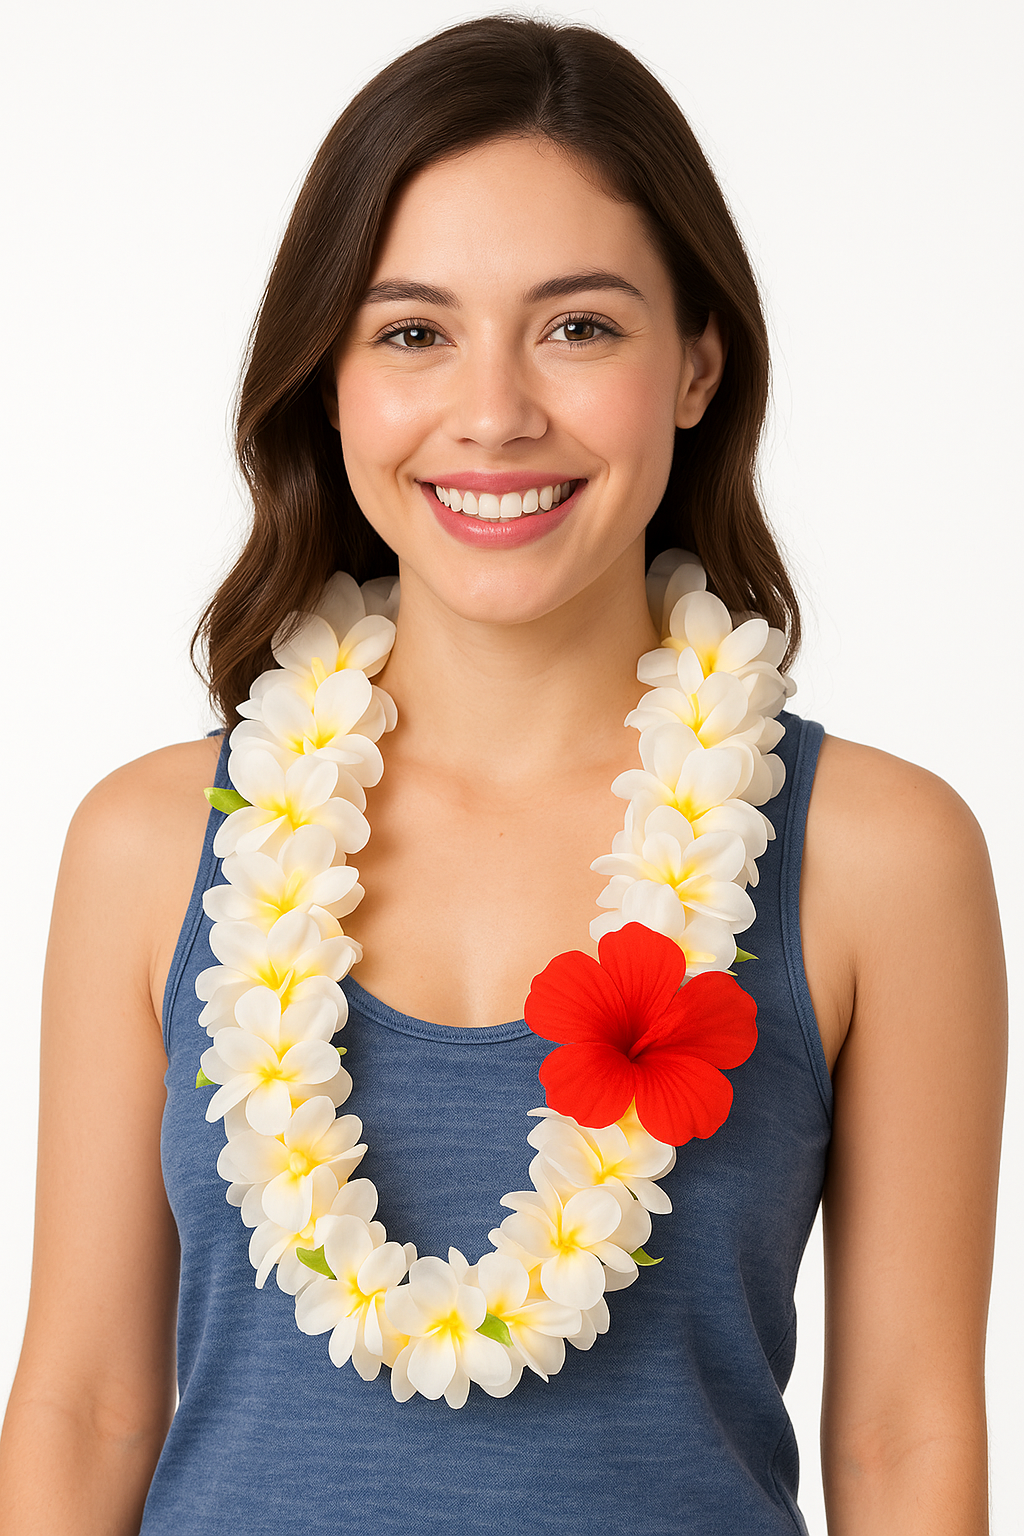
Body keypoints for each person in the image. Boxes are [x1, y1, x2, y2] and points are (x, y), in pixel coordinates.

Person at [0, 14, 1006, 1534]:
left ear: (696, 365)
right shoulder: (148, 846)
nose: (494, 411)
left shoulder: (880, 855)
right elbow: (83, 1406)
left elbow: (901, 1436)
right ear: (328, 382)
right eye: (413, 331)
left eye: (578, 327)